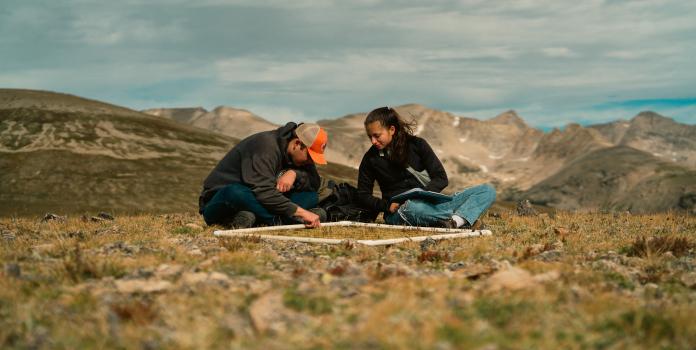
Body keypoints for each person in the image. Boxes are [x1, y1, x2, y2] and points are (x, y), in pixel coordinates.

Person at [356, 106, 496, 228]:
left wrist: (425, 195)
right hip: (400, 211)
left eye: (377, 135)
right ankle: (462, 219)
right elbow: (362, 195)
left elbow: (441, 178)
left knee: (487, 190)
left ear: (391, 129)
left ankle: (453, 222)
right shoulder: (370, 159)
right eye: (370, 137)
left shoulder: (418, 145)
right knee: (413, 208)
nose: (373, 141)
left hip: (432, 205)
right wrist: (387, 206)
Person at [199, 122, 328, 228]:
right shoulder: (266, 146)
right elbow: (264, 192)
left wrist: (294, 173)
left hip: (259, 202)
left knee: (310, 196)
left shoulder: (300, 157)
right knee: (235, 192)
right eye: (310, 157)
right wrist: (301, 212)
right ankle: (280, 221)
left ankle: (251, 218)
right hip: (221, 200)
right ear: (297, 144)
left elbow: (314, 182)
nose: (310, 162)